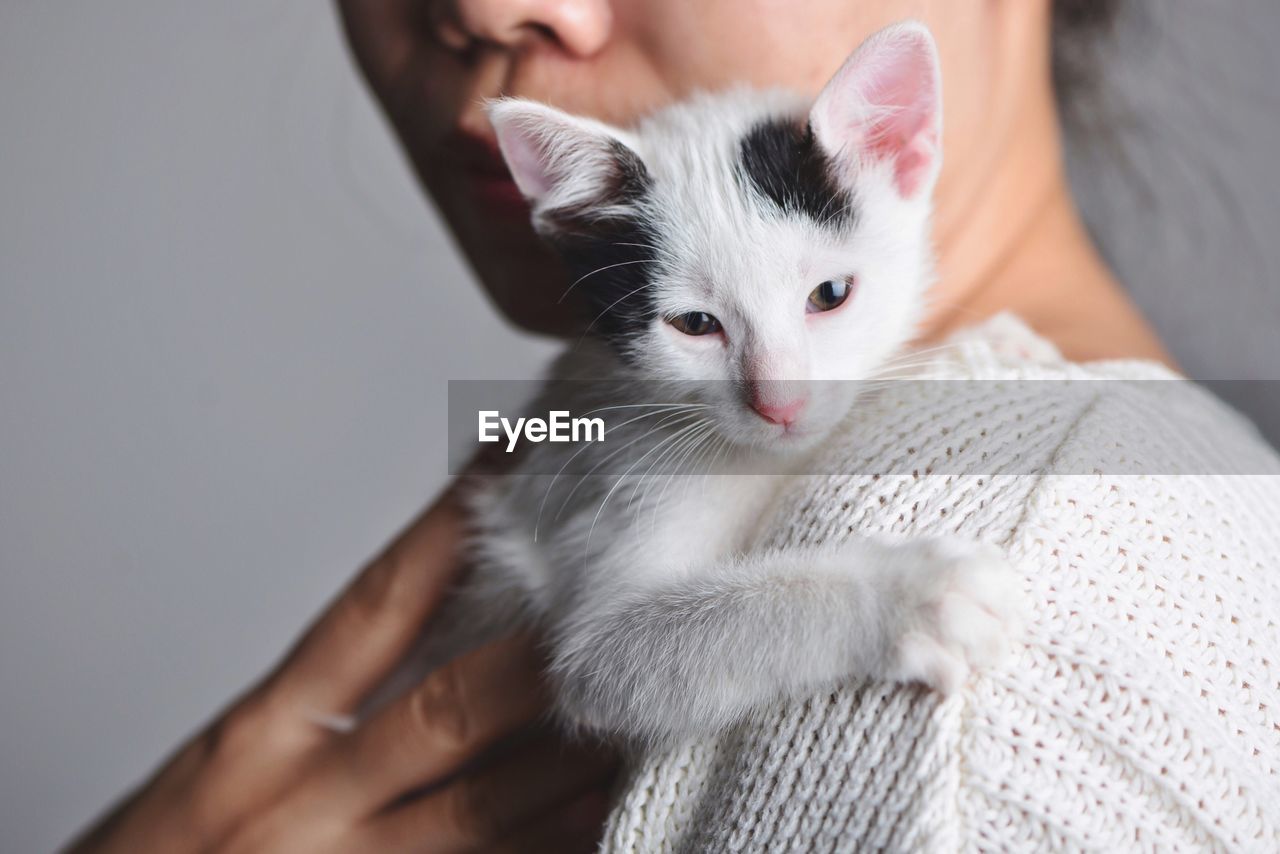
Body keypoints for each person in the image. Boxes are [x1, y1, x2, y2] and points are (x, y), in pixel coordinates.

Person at [70, 1, 1280, 851]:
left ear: (897, 144)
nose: (486, 12)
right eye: (697, 328)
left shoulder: (981, 734)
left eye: (820, 299)